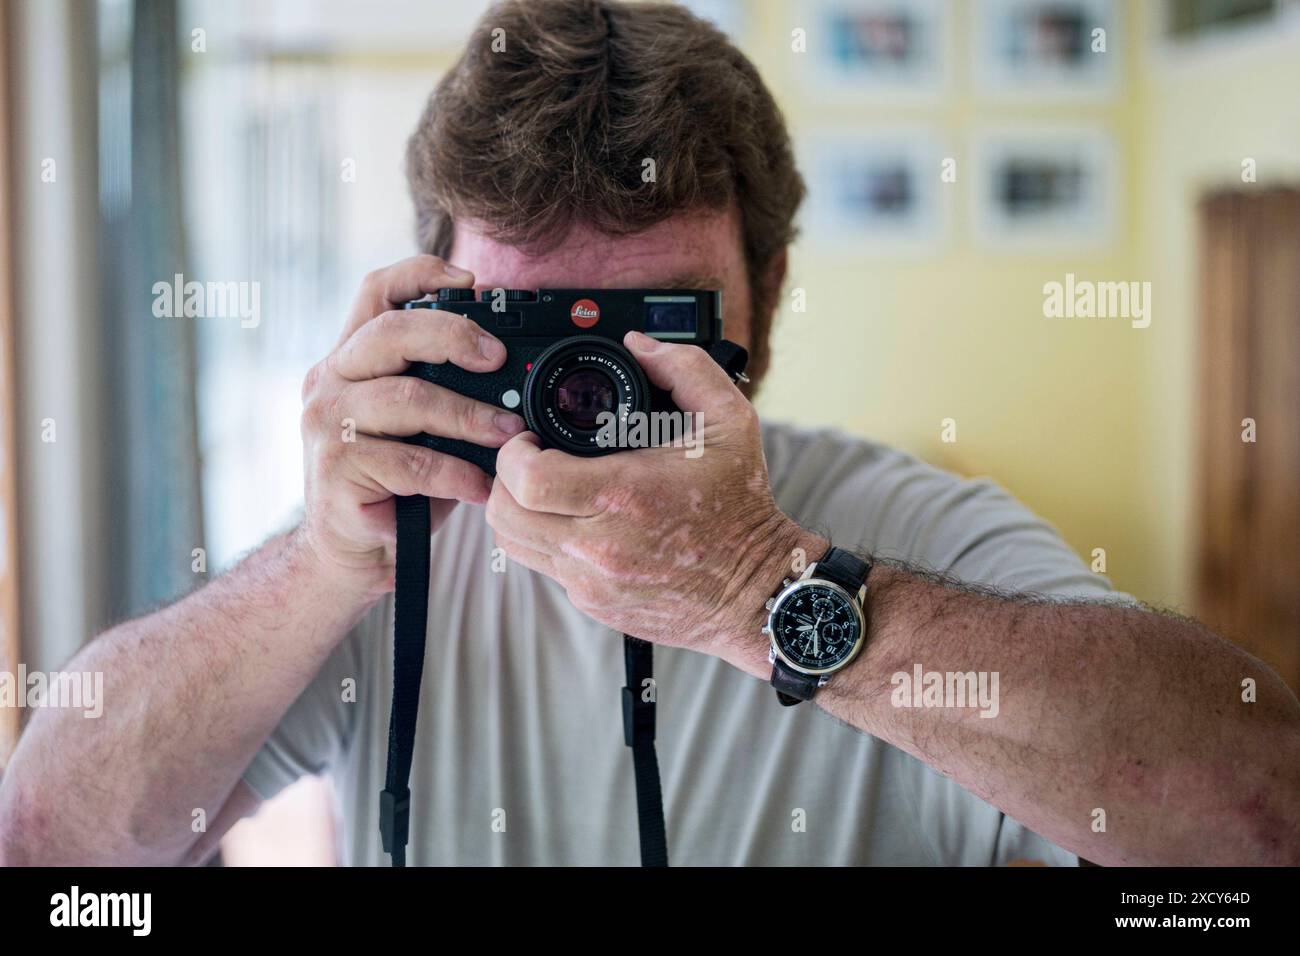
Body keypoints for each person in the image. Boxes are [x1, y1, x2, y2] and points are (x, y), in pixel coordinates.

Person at [1, 0, 1296, 867]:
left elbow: (1259, 811)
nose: (584, 386)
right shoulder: (392, 547)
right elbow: (47, 836)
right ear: (429, 303)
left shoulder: (897, 530)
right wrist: (316, 572)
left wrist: (770, 592)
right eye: (530, 325)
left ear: (766, 303)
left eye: (645, 325)